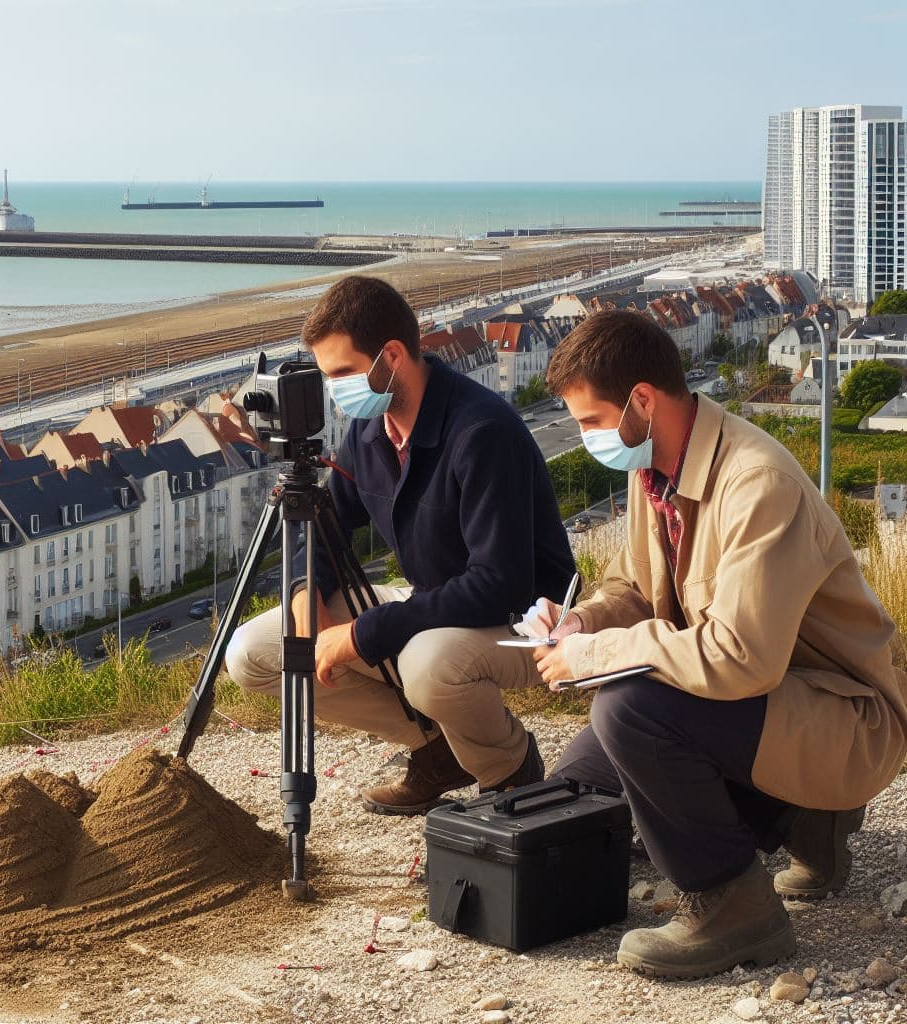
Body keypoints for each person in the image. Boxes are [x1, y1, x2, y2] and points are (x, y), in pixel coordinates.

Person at [530, 309, 907, 979]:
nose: (587, 437)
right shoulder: (653, 469)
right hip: (765, 709)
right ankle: (802, 819)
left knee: (625, 710)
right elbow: (639, 591)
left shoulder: (757, 482)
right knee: (581, 789)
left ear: (641, 401)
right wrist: (583, 623)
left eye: (590, 421)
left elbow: (739, 658)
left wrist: (594, 659)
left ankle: (735, 906)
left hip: (844, 719)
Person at [226, 275, 577, 814]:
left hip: (527, 621)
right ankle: (438, 748)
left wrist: (361, 635)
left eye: (343, 373)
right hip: (435, 606)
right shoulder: (370, 434)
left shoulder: (481, 431)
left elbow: (498, 584)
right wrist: (305, 596)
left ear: (391, 355)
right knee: (254, 654)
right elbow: (321, 529)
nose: (337, 389)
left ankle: (508, 765)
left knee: (426, 663)